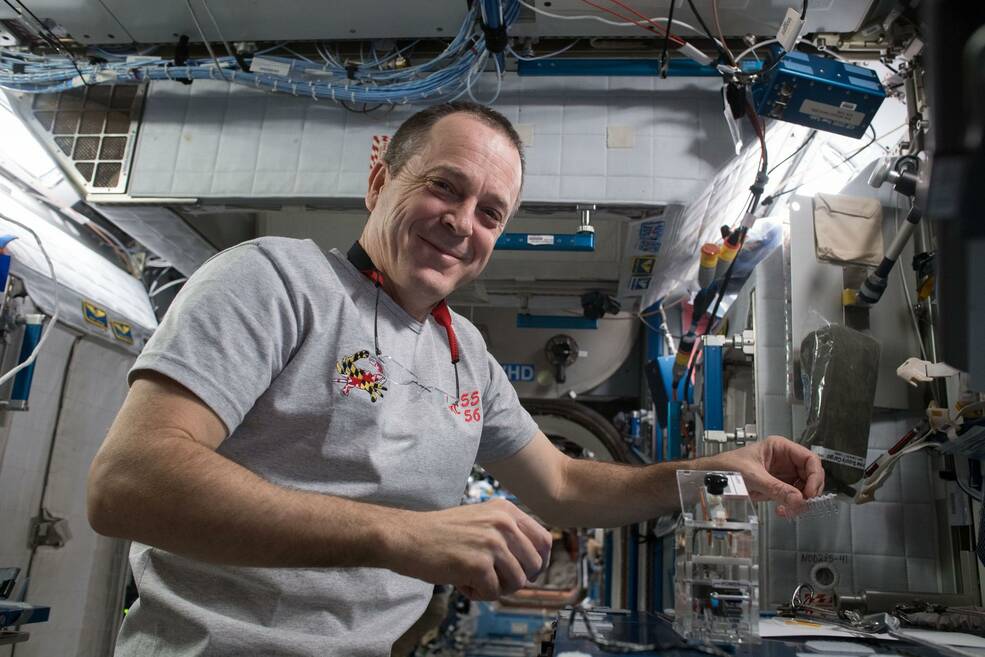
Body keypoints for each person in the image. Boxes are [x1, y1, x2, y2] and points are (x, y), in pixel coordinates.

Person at [87, 101, 824, 657]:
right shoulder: (275, 280)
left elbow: (563, 487)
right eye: (445, 186)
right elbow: (128, 482)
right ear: (380, 180)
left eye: (490, 212)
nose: (462, 221)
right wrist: (400, 535)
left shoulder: (463, 353)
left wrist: (713, 472)